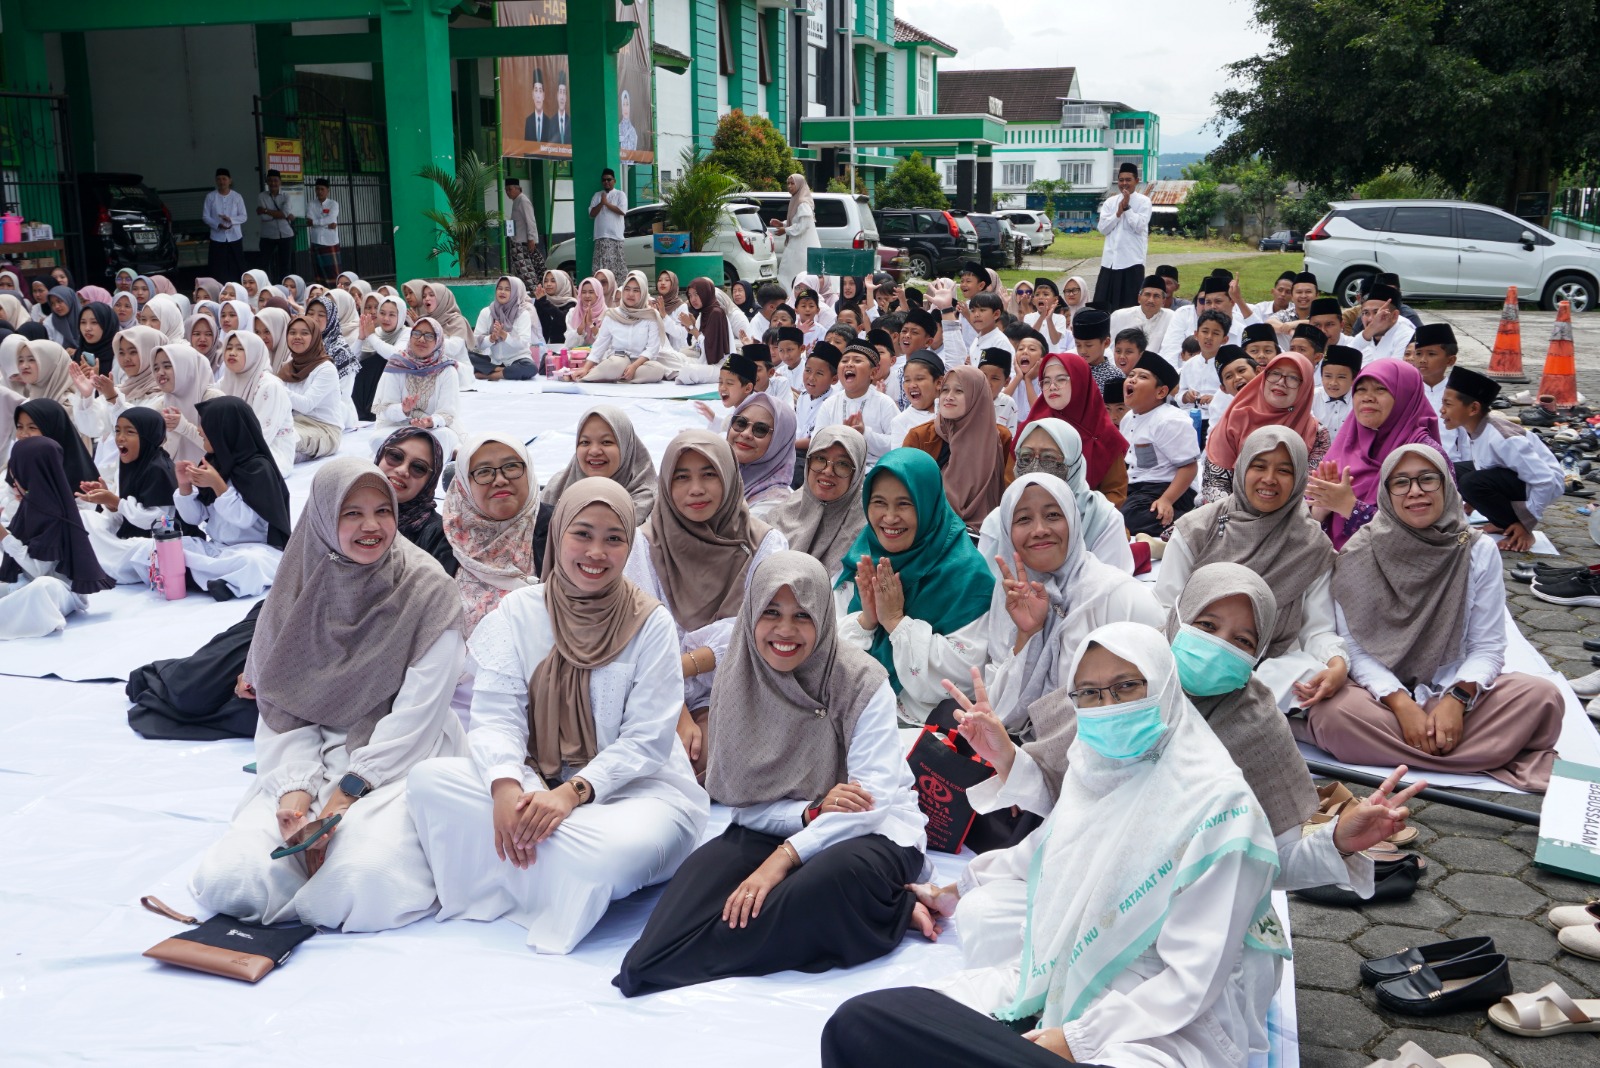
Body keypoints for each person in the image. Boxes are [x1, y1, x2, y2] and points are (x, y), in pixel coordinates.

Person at [824, 622, 1283, 1068]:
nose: (1108, 706)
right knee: (862, 1023)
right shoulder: (1098, 765)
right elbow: (1049, 848)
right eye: (1090, 693)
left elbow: (1192, 980)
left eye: (1126, 687)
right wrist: (954, 890)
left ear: (1163, 687)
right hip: (1059, 983)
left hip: (1157, 1024)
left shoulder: (1219, 807)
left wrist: (1079, 1038)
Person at [410, 478, 708, 954]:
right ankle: (547, 860)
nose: (596, 552)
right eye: (582, 534)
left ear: (629, 547)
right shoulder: (519, 612)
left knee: (604, 857)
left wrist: (572, 795)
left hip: (638, 794)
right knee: (427, 781)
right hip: (538, 784)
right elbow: (497, 716)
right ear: (558, 533)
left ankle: (520, 862)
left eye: (614, 538)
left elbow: (647, 741)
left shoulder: (649, 622)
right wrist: (508, 789)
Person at [614, 551, 927, 996]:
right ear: (752, 614)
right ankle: (656, 960)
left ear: (823, 616)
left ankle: (890, 907)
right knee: (689, 893)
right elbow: (745, 806)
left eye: (802, 615)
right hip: (786, 820)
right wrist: (808, 813)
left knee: (828, 882)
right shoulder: (739, 679)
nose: (785, 630)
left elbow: (869, 803)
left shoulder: (861, 681)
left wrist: (781, 861)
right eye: (771, 612)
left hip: (869, 832)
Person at [188, 458, 466, 930]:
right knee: (234, 881)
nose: (371, 526)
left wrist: (343, 799)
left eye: (382, 511)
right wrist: (296, 797)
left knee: (360, 882)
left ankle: (328, 872)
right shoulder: (299, 580)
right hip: (303, 757)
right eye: (351, 513)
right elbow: (280, 707)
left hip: (398, 758)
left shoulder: (427, 590)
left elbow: (418, 716)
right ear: (322, 517)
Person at [1296, 445, 1564, 791]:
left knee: (1542, 697)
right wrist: (1401, 704)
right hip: (1378, 698)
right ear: (1386, 493)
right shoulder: (1360, 552)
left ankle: (1412, 747)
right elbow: (1355, 646)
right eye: (1401, 482)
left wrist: (1457, 699)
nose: (1415, 491)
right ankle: (1478, 751)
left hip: (1455, 689)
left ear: (1447, 484)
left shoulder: (1475, 549)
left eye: (1427, 479)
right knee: (1334, 715)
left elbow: (1487, 646)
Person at [623, 430, 788, 772]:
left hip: (742, 684)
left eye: (709, 474)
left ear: (728, 475)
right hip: (654, 687)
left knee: (719, 759)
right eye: (681, 477)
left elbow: (759, 629)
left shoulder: (765, 544)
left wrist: (687, 665)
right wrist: (677, 709)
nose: (696, 489)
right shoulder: (645, 543)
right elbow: (640, 633)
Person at [1160, 427, 1346, 712]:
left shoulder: (1310, 545)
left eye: (1284, 470)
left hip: (1270, 670)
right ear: (1243, 466)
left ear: (1299, 477)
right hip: (1191, 663)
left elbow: (1317, 629)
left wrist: (1336, 663)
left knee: (1313, 683)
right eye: (1259, 466)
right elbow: (1165, 607)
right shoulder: (1198, 529)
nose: (1269, 479)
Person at [835, 449, 996, 723]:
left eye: (904, 504)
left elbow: (968, 673)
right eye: (879, 502)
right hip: (852, 711)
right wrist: (866, 621)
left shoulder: (965, 573)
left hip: (922, 725)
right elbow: (826, 650)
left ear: (928, 504)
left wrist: (896, 623)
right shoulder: (864, 557)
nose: (889, 518)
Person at [1308, 358, 1441, 549]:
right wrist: (1321, 510)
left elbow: (1426, 535)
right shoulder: (1346, 445)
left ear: (1405, 395)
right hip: (1335, 559)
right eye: (1361, 389)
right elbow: (1310, 519)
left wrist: (1350, 507)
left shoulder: (1424, 455)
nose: (1367, 397)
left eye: (1380, 389)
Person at [171, 397, 292, 600]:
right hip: (218, 548)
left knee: (253, 562)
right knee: (172, 546)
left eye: (206, 425)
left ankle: (214, 580)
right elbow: (195, 519)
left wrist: (217, 484)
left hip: (256, 549)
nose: (199, 430)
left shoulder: (258, 469)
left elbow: (243, 519)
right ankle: (214, 577)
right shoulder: (214, 462)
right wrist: (185, 487)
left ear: (225, 428)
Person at [978, 418, 1135, 573]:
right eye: (1026, 457)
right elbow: (987, 584)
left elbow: (1113, 584)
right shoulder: (998, 521)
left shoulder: (1101, 518)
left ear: (1074, 463)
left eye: (1049, 458)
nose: (1035, 467)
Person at [0, 437, 115, 638]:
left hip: (60, 590)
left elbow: (39, 571)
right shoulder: (32, 501)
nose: (12, 478)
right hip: (27, 581)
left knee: (42, 587)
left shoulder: (50, 508)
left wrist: (3, 536)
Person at [1442, 366, 1563, 554]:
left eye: (1448, 404)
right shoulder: (1474, 428)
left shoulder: (1503, 438)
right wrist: (1474, 501)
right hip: (1515, 477)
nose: (1442, 410)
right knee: (1450, 470)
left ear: (1473, 408)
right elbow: (1486, 465)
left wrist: (1526, 524)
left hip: (1541, 484)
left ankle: (1515, 527)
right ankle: (1501, 523)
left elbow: (1545, 481)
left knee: (1471, 483)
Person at [533, 404, 657, 564]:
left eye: (606, 442)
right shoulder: (558, 487)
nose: (594, 451)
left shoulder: (651, 501)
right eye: (585, 442)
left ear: (626, 445)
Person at [442, 433, 541, 634]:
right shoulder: (444, 539)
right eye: (484, 472)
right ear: (463, 483)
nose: (500, 480)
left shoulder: (559, 532)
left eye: (511, 466)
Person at [1200, 351, 1326, 504]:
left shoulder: (1317, 433)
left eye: (1293, 378)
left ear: (1305, 387)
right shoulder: (1236, 418)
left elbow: (1310, 488)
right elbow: (1214, 481)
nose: (1281, 382)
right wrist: (1237, 514)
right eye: (1275, 374)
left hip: (1289, 512)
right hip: (1230, 509)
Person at [901, 365, 1013, 532]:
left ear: (978, 396)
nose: (949, 397)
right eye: (945, 390)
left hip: (988, 533)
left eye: (959, 391)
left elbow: (1009, 490)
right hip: (931, 530)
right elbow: (905, 490)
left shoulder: (1000, 438)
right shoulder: (921, 437)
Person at [76, 408, 182, 583]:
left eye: (130, 432)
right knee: (85, 518)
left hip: (155, 543)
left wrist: (115, 501)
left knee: (140, 549)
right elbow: (123, 517)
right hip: (129, 539)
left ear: (148, 435)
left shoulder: (159, 468)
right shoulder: (131, 463)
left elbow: (157, 521)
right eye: (117, 431)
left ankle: (106, 565)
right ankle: (105, 563)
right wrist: (108, 501)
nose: (120, 438)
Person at [1017, 352, 1129, 506]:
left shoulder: (1105, 434)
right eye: (1046, 381)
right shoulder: (1031, 428)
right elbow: (1012, 480)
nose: (1052, 387)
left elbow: (1115, 492)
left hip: (1089, 515)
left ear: (1080, 382)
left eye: (1061, 379)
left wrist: (1084, 513)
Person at [767, 426, 868, 585]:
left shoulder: (865, 531)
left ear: (857, 473)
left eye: (842, 464)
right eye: (820, 459)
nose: (828, 471)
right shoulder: (780, 514)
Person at [1119, 350, 1201, 537]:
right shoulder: (1127, 418)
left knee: (1129, 517)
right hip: (1136, 487)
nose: (1132, 380)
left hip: (1170, 488)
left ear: (1161, 392)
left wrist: (1167, 500)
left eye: (1142, 377)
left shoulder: (1170, 420)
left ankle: (1196, 524)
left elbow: (1189, 468)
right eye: (1131, 375)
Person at [374, 316, 462, 458]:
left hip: (434, 430)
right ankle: (430, 456)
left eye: (429, 335)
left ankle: (413, 460)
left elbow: (448, 413)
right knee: (377, 439)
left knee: (445, 436)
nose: (421, 339)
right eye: (416, 333)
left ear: (438, 340)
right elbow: (385, 409)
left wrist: (430, 422)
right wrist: (403, 409)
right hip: (400, 427)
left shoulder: (447, 370)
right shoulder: (397, 365)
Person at [375, 427, 456, 574]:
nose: (402, 470)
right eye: (395, 456)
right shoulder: (346, 511)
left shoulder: (439, 537)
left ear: (430, 481)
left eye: (418, 467)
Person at [217, 330, 295, 477]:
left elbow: (262, 435)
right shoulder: (226, 380)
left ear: (254, 353)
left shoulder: (269, 386)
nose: (232, 353)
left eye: (240, 348)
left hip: (269, 452)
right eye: (229, 347)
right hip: (234, 449)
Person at [575, 271, 674, 383]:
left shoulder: (650, 316)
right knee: (616, 364)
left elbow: (652, 348)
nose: (630, 294)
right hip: (618, 358)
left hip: (641, 362)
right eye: (627, 289)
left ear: (643, 294)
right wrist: (585, 368)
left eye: (636, 290)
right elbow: (600, 344)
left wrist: (634, 366)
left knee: (657, 370)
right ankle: (590, 376)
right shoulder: (612, 315)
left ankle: (618, 377)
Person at [813, 342, 899, 468]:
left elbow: (897, 444)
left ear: (873, 373)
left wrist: (865, 434)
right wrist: (840, 437)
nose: (849, 364)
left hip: (872, 470)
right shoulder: (829, 404)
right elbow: (816, 441)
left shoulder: (884, 403)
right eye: (844, 360)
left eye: (857, 360)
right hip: (834, 467)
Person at [278, 313, 344, 461]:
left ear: (314, 338)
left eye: (304, 333)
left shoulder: (326, 368)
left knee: (282, 439)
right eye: (292, 332)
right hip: (293, 424)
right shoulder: (288, 367)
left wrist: (276, 386)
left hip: (323, 429)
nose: (297, 337)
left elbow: (306, 405)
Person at [1092, 163, 1152, 310]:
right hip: (1109, 264)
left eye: (1128, 180)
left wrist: (1127, 208)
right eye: (1121, 180)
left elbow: (1139, 226)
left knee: (1129, 309)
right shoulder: (1110, 202)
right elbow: (1103, 228)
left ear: (1136, 181)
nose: (1124, 183)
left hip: (1132, 263)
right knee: (1102, 308)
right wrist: (1118, 213)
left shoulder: (1144, 202)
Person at [727, 392, 798, 517]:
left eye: (760, 429)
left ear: (779, 441)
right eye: (741, 423)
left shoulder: (774, 506)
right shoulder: (719, 474)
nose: (746, 434)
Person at [470, 275, 538, 381]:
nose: (502, 292)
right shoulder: (486, 312)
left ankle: (491, 375)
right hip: (493, 360)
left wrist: (504, 335)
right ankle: (500, 370)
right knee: (464, 355)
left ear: (515, 292)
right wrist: (491, 338)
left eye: (507, 289)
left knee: (531, 368)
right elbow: (476, 343)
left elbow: (523, 343)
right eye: (500, 288)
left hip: (517, 360)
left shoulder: (522, 314)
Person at [773, 173, 821, 289]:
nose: (789, 186)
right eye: (788, 183)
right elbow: (796, 221)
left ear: (799, 185)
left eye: (792, 183)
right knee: (789, 272)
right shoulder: (795, 200)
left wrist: (785, 230)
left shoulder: (803, 203)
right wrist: (782, 224)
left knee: (797, 272)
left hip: (802, 246)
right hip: (796, 245)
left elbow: (803, 225)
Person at [1353, 282, 1415, 363]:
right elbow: (1344, 358)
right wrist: (1369, 331)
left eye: (1377, 312)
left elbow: (1394, 369)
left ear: (1394, 316)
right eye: (1366, 313)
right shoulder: (1368, 334)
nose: (1371, 319)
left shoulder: (1406, 336)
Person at [202, 168, 246, 281]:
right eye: (219, 179)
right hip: (217, 237)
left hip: (234, 236)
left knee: (237, 265)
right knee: (217, 267)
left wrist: (231, 219)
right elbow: (205, 216)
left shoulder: (237, 196)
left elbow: (243, 216)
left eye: (224, 179)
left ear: (230, 181)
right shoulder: (210, 197)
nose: (221, 182)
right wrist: (218, 224)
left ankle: (237, 287)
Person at [505, 178, 544, 295]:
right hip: (517, 242)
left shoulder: (523, 201)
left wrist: (531, 239)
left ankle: (536, 294)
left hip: (523, 243)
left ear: (518, 189)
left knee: (526, 272)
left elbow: (530, 221)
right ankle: (526, 294)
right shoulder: (516, 201)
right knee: (520, 271)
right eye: (506, 190)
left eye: (510, 189)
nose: (507, 192)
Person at [587, 169, 628, 280]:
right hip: (600, 237)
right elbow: (591, 214)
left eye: (609, 179)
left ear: (614, 181)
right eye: (604, 180)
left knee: (617, 268)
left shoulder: (620, 194)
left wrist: (606, 203)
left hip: (615, 238)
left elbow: (622, 211)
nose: (606, 182)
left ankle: (617, 288)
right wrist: (601, 203)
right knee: (600, 269)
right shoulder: (597, 195)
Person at [1314, 343, 1361, 438]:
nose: (1333, 383)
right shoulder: (1311, 397)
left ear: (1354, 379)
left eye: (1341, 377)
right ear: (1321, 376)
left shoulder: (1360, 401)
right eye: (1328, 376)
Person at [255, 169, 296, 279]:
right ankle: (266, 286)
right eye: (270, 180)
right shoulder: (262, 196)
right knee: (264, 264)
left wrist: (266, 210)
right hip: (267, 235)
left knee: (285, 265)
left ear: (280, 182)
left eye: (275, 180)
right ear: (267, 182)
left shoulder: (286, 196)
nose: (273, 183)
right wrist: (282, 214)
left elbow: (284, 213)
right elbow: (264, 217)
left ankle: (284, 286)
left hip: (285, 234)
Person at [1409, 322, 1457, 415]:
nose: (1422, 360)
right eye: (1418, 354)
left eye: (1431, 354)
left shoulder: (1458, 394)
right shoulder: (1406, 390)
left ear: (1450, 360)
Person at [306, 178, 341, 285]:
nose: (319, 191)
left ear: (327, 190)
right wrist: (326, 224)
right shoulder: (311, 204)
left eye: (322, 189)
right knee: (318, 272)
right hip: (316, 240)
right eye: (317, 189)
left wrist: (315, 223)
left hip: (330, 241)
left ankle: (335, 291)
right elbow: (309, 220)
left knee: (333, 272)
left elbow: (331, 218)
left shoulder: (333, 204)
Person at [536, 270, 575, 345]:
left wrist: (544, 303)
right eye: (546, 281)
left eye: (553, 281)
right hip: (544, 347)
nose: (548, 284)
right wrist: (540, 302)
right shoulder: (542, 300)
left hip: (565, 347)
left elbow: (563, 319)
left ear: (562, 283)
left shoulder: (571, 303)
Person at [524, 67, 553, 142]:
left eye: (540, 91)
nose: (538, 96)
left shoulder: (549, 122)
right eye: (536, 90)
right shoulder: (528, 121)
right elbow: (526, 146)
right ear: (532, 95)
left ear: (543, 95)